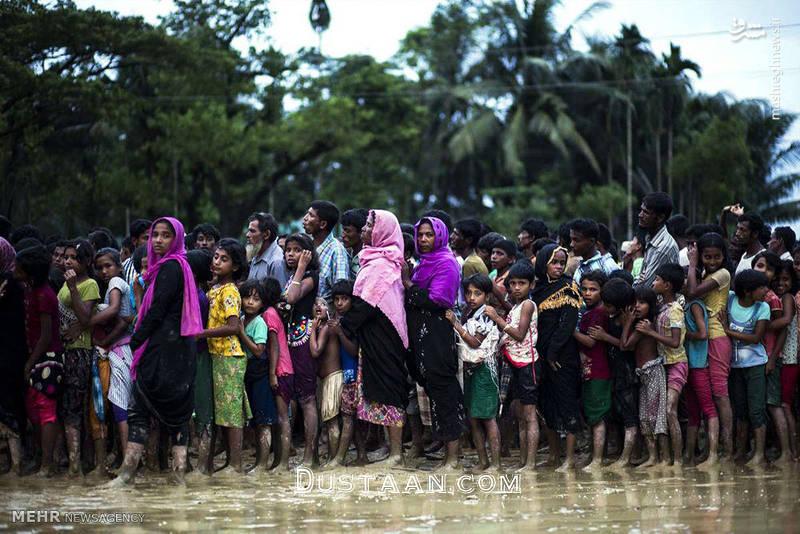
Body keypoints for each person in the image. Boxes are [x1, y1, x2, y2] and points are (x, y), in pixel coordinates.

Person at [108, 217, 203, 487]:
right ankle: (178, 479)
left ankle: (126, 476)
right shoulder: (176, 266)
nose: (158, 240)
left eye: (165, 236)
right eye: (155, 235)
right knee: (178, 416)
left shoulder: (170, 268)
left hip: (163, 351)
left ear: (177, 239)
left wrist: (135, 341)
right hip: (178, 351)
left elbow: (156, 312)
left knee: (140, 408)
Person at [342, 209, 410, 467]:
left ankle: (396, 454)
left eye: (370, 225)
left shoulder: (382, 265)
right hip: (375, 336)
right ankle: (391, 450)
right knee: (380, 389)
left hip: (385, 336)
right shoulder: (376, 260)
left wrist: (342, 325)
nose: (365, 229)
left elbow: (365, 305)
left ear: (382, 231)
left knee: (389, 390)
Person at [405, 216, 466, 470]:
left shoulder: (446, 263)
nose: (423, 239)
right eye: (420, 235)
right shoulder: (423, 264)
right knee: (434, 394)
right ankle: (447, 456)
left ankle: (452, 460)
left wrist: (408, 283)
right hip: (423, 335)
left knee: (446, 395)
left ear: (439, 236)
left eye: (429, 234)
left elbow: (438, 300)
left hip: (438, 335)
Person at [531, 244, 582, 471]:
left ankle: (570, 459)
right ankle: (553, 455)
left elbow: (567, 324)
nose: (559, 267)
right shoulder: (538, 289)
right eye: (554, 262)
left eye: (562, 262)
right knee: (547, 404)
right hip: (541, 356)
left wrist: (553, 352)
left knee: (567, 403)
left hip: (562, 357)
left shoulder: (569, 287)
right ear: (544, 264)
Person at [685, 232, 734, 456]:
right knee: (711, 394)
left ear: (724, 257)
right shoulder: (705, 274)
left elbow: (693, 292)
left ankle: (727, 448)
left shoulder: (723, 274)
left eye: (716, 257)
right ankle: (716, 448)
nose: (712, 261)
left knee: (720, 394)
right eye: (707, 257)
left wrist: (693, 263)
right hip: (707, 340)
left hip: (717, 337)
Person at [203, 238, 249, 474]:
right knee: (224, 411)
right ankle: (231, 461)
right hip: (218, 354)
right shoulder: (215, 288)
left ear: (235, 266)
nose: (217, 262)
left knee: (231, 412)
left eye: (224, 259)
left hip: (229, 355)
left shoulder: (230, 291)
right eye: (216, 257)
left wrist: (202, 333)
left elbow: (233, 327)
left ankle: (236, 464)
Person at [489, 263, 541, 471]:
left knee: (529, 415)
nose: (517, 287)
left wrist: (497, 318)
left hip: (528, 363)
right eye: (513, 284)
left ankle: (530, 463)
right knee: (520, 415)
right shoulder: (517, 307)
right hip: (516, 362)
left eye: (522, 283)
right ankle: (523, 461)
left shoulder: (528, 305)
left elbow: (519, 334)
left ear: (531, 284)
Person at [447, 274, 502, 472]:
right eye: (468, 293)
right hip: (471, 370)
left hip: (485, 370)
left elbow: (475, 341)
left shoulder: (486, 314)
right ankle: (483, 461)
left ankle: (495, 464)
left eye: (477, 293)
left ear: (486, 296)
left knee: (487, 417)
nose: (471, 297)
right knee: (473, 417)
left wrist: (455, 324)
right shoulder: (469, 313)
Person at [14, 245, 59, 476]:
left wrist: (30, 362)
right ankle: (43, 459)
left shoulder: (43, 295)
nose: (14, 270)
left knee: (45, 411)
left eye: (18, 267)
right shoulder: (32, 290)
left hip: (46, 359)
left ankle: (47, 465)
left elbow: (46, 335)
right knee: (34, 410)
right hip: (37, 357)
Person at [90, 247, 135, 475]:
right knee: (121, 407)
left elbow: (117, 313)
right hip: (120, 349)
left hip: (121, 351)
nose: (104, 271)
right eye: (100, 268)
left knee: (120, 408)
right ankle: (125, 458)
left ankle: (128, 463)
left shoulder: (117, 282)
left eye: (108, 265)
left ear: (119, 266)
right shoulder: (113, 284)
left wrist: (87, 323)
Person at [58, 239, 100, 477]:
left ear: (85, 262)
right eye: (66, 257)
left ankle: (77, 467)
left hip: (79, 351)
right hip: (65, 349)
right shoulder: (65, 282)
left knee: (76, 408)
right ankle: (75, 463)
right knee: (68, 407)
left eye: (74, 257)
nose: (68, 261)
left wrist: (73, 287)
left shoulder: (89, 284)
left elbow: (84, 320)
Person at [721, 269, 770, 466]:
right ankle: (740, 452)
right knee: (740, 410)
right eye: (762, 287)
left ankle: (759, 454)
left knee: (756, 410)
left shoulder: (763, 307)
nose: (766, 290)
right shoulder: (731, 299)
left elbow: (756, 338)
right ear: (748, 291)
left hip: (756, 365)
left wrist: (728, 331)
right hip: (735, 366)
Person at [282, 233, 320, 467]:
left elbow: (292, 297)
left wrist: (301, 267)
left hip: (303, 338)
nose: (290, 254)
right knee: (295, 396)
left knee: (307, 398)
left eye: (297, 250)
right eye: (288, 250)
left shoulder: (310, 276)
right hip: (290, 337)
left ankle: (310, 457)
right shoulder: (293, 276)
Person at [591, 278, 638, 469]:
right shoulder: (611, 317)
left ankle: (627, 458)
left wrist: (605, 336)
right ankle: (623, 453)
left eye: (608, 305)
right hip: (615, 373)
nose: (604, 307)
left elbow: (625, 345)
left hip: (627, 373)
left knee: (630, 417)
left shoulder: (630, 319)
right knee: (617, 416)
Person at [752, 250, 793, 463]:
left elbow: (783, 328)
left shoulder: (772, 298)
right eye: (759, 266)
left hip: (769, 357)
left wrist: (772, 358)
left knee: (773, 404)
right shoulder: (757, 294)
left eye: (768, 268)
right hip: (760, 356)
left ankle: (786, 452)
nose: (764, 272)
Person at [622, 287, 669, 468]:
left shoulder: (644, 325)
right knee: (645, 417)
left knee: (656, 417)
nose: (637, 306)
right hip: (643, 374)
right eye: (635, 303)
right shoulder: (642, 324)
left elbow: (624, 345)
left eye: (642, 303)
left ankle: (661, 458)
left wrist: (628, 322)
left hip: (653, 371)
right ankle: (653, 457)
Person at [649, 263, 688, 465]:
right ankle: (667, 459)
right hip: (663, 364)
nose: (653, 282)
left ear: (667, 285)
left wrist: (651, 333)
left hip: (676, 364)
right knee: (665, 412)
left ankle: (679, 460)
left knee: (670, 410)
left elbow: (675, 342)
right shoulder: (661, 307)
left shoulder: (675, 311)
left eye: (657, 280)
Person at [326, 279, 368, 467]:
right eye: (336, 299)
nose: (340, 303)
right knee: (352, 418)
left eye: (344, 299)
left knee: (348, 418)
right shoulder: (339, 319)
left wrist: (340, 333)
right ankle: (361, 454)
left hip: (353, 375)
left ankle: (339, 458)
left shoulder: (351, 322)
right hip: (344, 373)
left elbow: (353, 350)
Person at [573, 270, 611, 471]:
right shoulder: (590, 311)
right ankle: (595, 457)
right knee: (593, 416)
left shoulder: (598, 313)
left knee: (597, 418)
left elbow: (589, 340)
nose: (587, 293)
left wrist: (571, 329)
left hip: (598, 371)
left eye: (593, 289)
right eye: (584, 289)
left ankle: (597, 460)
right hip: (590, 370)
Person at [239, 279, 273, 473]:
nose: (250, 302)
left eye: (256, 299)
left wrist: (242, 334)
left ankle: (262, 464)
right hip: (248, 372)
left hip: (259, 372)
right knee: (254, 421)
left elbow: (259, 351)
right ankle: (259, 461)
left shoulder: (259, 323)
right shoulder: (243, 319)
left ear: (262, 303)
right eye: (247, 297)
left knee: (263, 421)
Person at [186, 248, 215, 474]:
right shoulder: (197, 293)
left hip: (197, 356)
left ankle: (202, 466)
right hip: (194, 355)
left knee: (201, 412)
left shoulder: (196, 296)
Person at [683, 284, 719, 467]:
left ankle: (712, 455)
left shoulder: (695, 305)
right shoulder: (686, 305)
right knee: (693, 413)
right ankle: (689, 455)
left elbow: (702, 334)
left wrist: (683, 334)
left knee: (708, 409)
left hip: (698, 364)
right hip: (689, 365)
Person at [261, 277, 294, 471]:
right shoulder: (273, 312)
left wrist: (273, 373)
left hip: (281, 370)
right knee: (280, 417)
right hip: (283, 369)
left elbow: (274, 346)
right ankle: (279, 460)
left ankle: (284, 463)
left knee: (282, 418)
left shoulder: (269, 314)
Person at [310, 297, 342, 460]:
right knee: (329, 421)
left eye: (323, 304)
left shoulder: (326, 328)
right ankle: (332, 456)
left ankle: (333, 458)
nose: (318, 306)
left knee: (332, 422)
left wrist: (311, 331)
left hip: (332, 378)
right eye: (316, 304)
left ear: (328, 309)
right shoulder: (323, 327)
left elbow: (315, 351)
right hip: (326, 379)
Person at [775, 260, 799, 460]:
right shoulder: (781, 297)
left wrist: (761, 326)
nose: (781, 283)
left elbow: (787, 320)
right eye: (778, 279)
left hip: (790, 359)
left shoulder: (788, 298)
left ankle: (791, 451)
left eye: (786, 279)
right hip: (787, 357)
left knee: (785, 404)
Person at [303, 200, 349, 301]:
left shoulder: (337, 252)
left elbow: (341, 293)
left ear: (323, 224)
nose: (305, 218)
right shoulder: (306, 244)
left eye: (311, 215)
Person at [634, 192, 679, 289]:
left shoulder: (663, 247)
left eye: (645, 212)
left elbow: (646, 286)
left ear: (660, 218)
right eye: (641, 210)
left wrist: (639, 280)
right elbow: (642, 278)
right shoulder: (650, 238)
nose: (640, 215)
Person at [570, 218, 619, 285]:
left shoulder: (607, 266)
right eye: (571, 240)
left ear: (591, 241)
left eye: (576, 240)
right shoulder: (579, 268)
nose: (571, 244)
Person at [246, 212, 289, 287]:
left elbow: (280, 296)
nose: (247, 235)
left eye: (252, 231)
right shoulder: (257, 254)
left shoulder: (276, 262)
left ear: (266, 234)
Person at [121, 219, 152, 286]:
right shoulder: (124, 267)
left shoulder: (161, 263)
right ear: (134, 241)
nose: (151, 241)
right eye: (146, 238)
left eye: (153, 237)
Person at [340, 208, 369, 279]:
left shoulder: (367, 259)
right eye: (343, 230)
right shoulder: (345, 253)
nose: (343, 235)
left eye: (348, 231)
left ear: (361, 232)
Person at [490, 239, 517, 311]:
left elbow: (515, 310)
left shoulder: (513, 278)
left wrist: (496, 290)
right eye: (493, 253)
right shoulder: (493, 276)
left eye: (500, 253)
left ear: (511, 259)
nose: (494, 256)